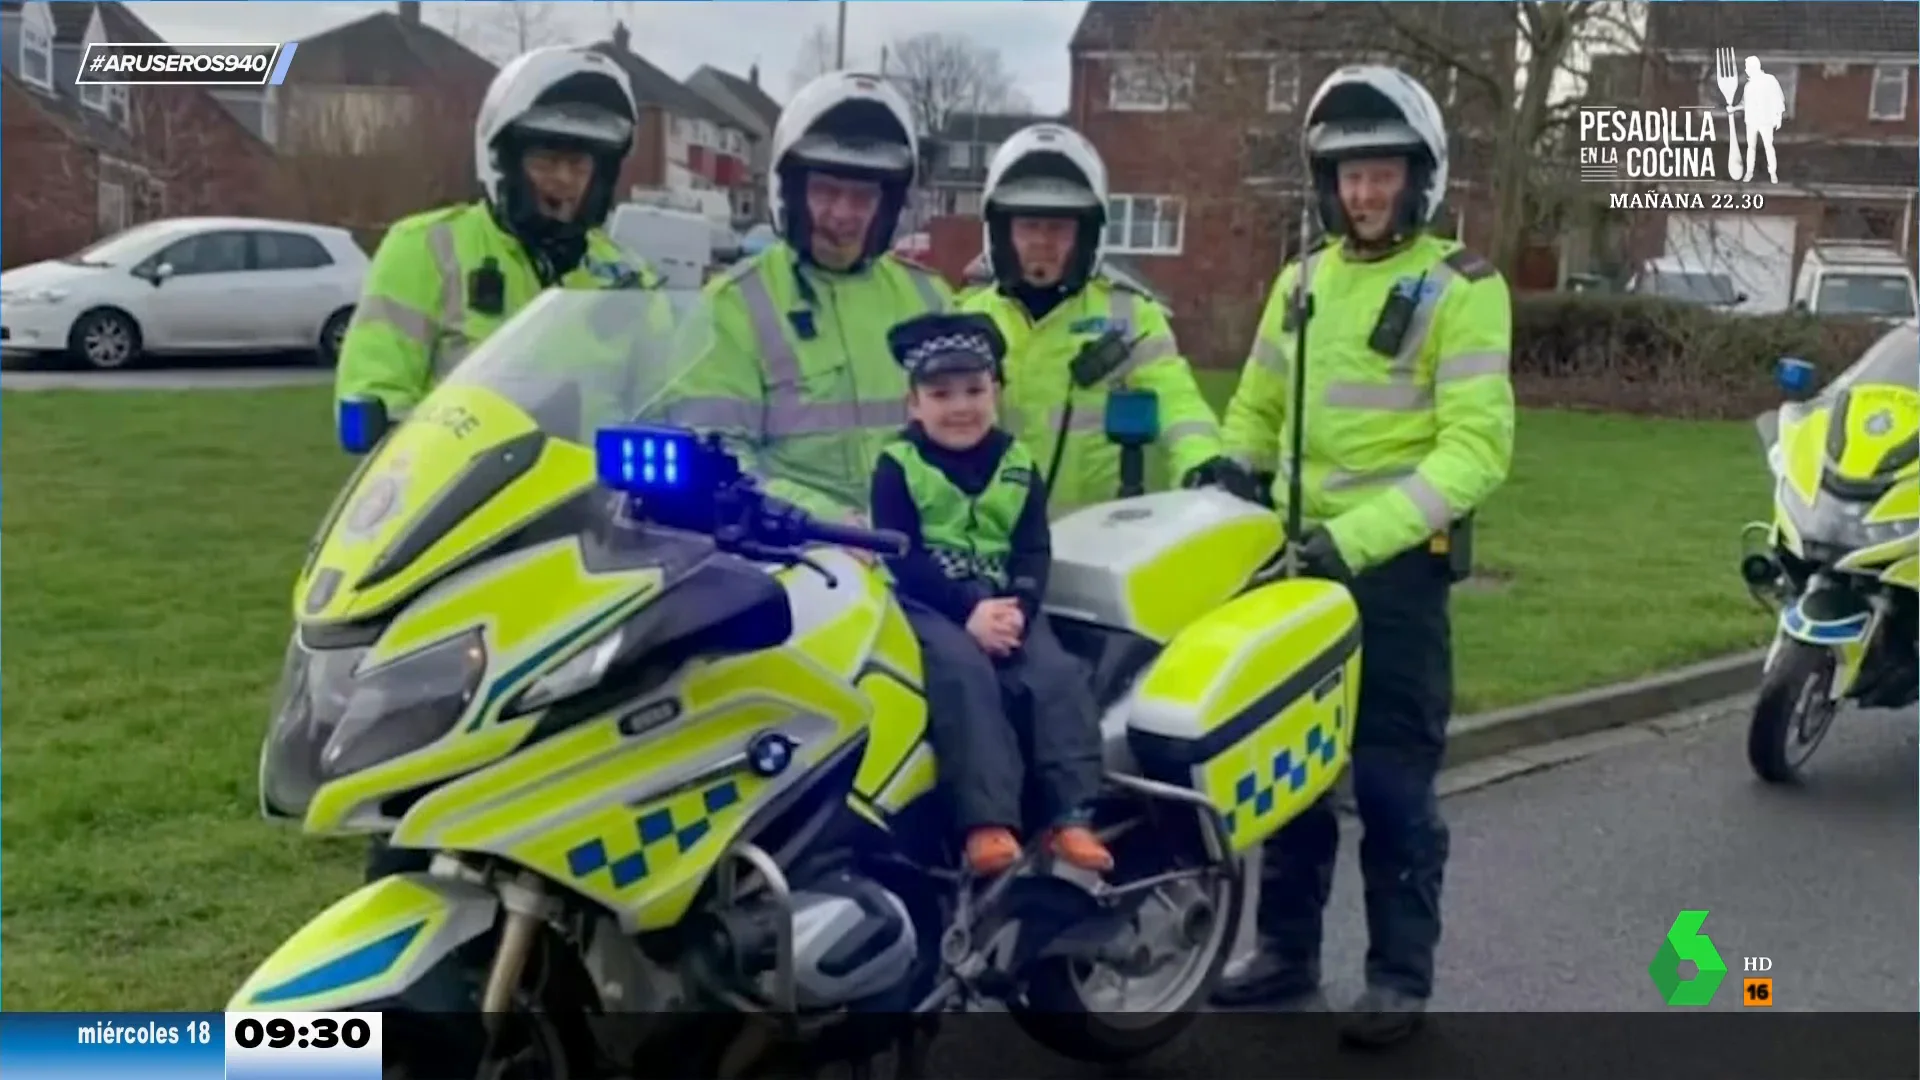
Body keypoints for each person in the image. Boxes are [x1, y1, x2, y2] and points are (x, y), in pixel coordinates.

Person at [1208, 65, 1515, 1047]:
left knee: (1390, 785)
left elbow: (1475, 451)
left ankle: (1398, 977)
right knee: (1287, 776)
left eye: (1382, 173)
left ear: (1420, 178)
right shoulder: (1299, 284)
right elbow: (1254, 411)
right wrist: (1228, 479)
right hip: (1297, 565)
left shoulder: (1464, 288)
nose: (1365, 193)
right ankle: (1285, 953)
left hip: (1393, 577)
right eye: (1348, 175)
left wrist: (1355, 538)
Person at [869, 312, 1110, 876]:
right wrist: (967, 613)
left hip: (1005, 599)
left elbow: (1032, 550)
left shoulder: (1018, 462)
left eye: (975, 390)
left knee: (1055, 674)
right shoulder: (897, 464)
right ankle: (986, 823)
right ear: (914, 405)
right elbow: (901, 552)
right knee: (963, 675)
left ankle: (1071, 814)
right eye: (940, 393)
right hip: (930, 602)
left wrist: (1018, 611)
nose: (961, 407)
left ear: (996, 393)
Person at [663, 71, 952, 523]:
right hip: (795, 558)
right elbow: (714, 457)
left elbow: (969, 438)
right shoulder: (735, 303)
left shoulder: (930, 298)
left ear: (888, 204)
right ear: (793, 192)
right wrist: (821, 519)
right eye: (826, 191)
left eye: (861, 196)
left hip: (920, 558)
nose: (842, 213)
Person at [336, 44, 660, 419]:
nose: (564, 179)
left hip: (594, 478)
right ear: (503, 161)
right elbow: (374, 387)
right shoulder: (427, 249)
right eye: (547, 161)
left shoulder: (628, 277)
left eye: (578, 164)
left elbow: (673, 391)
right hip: (463, 475)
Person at [961, 123, 1255, 516]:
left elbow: (1177, 401)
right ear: (1001, 230)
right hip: (991, 542)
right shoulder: (967, 320)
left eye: (1059, 228)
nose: (1043, 241)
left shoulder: (1130, 315)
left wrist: (1202, 462)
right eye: (1029, 225)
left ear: (1086, 235)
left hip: (1097, 546)